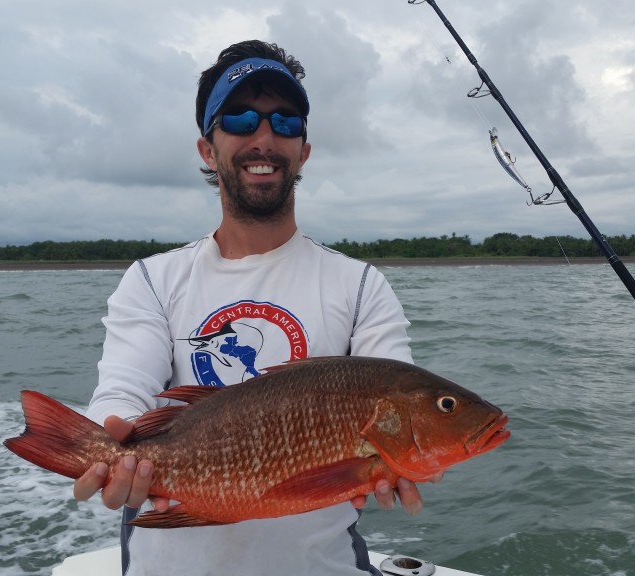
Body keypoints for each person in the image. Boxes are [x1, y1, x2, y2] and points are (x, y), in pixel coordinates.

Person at [73, 39, 427, 576]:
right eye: (241, 119)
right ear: (207, 147)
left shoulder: (359, 284)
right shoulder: (153, 278)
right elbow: (122, 391)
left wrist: (409, 460)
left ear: (303, 150)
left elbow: (392, 390)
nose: (264, 138)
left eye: (285, 123)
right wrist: (109, 446)